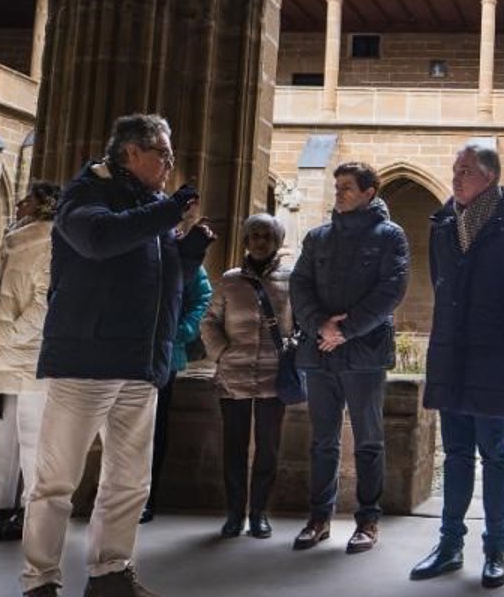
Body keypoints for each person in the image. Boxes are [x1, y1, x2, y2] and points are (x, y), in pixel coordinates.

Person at [14, 114, 213, 597]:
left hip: (139, 365)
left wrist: (186, 255)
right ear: (131, 153)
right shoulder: (87, 194)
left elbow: (159, 283)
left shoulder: (150, 209)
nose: (170, 164)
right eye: (163, 155)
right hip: (87, 362)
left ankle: (109, 576)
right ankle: (38, 587)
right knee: (56, 482)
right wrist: (169, 214)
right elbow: (99, 240)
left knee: (129, 481)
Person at [410, 144, 504, 588]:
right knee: (455, 454)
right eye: (454, 169)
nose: (456, 178)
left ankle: (496, 550)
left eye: (467, 171)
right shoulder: (442, 225)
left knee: (496, 455)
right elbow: (443, 286)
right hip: (452, 354)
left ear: (490, 177)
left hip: (495, 358)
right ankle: (449, 545)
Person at [289, 161, 409, 554]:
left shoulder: (390, 237)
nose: (338, 192)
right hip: (319, 352)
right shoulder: (317, 237)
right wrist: (320, 325)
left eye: (346, 188)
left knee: (368, 441)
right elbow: (299, 285)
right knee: (322, 441)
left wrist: (344, 330)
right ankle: (319, 518)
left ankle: (368, 520)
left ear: (369, 193)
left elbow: (391, 291)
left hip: (364, 355)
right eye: (336, 186)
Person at [201, 213, 293, 540]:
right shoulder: (229, 280)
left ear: (277, 241)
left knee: (268, 448)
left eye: (267, 235)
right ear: (245, 240)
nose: (260, 241)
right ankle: (234, 513)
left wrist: (291, 352)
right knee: (234, 448)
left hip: (273, 377)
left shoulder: (290, 280)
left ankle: (259, 513)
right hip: (233, 376)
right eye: (254, 234)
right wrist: (222, 354)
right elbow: (209, 321)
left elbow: (299, 326)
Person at [0, 181, 61, 545]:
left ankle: (31, 511)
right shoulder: (16, 239)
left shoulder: (48, 242)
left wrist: (12, 337)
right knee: (5, 431)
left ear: (43, 206)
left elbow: (45, 302)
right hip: (8, 354)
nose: (19, 203)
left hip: (30, 353)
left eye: (27, 198)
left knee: (32, 435)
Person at [140, 260, 213, 524]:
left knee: (155, 429)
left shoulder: (182, 254)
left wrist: (179, 331)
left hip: (164, 355)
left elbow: (202, 298)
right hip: (124, 352)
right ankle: (115, 496)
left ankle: (147, 498)